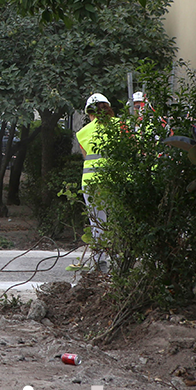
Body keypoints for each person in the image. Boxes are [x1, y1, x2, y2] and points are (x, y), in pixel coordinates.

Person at [74, 92, 113, 271]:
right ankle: (117, 259)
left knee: (97, 221)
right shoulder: (121, 126)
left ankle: (100, 261)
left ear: (89, 113)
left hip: (90, 182)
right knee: (117, 220)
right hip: (114, 180)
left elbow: (85, 156)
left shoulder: (82, 133)